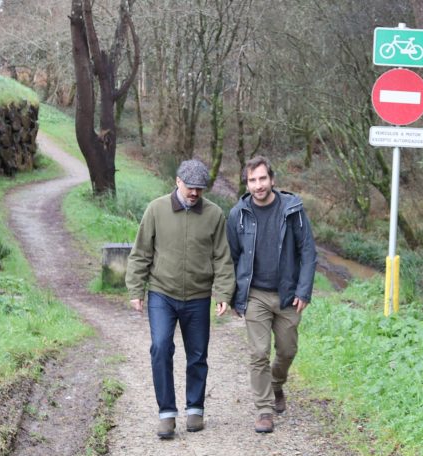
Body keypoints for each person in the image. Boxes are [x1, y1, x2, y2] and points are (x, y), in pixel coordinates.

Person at [126, 159, 234, 440]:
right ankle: (167, 414)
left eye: (200, 188)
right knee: (161, 348)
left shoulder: (214, 215)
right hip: (162, 292)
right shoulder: (156, 210)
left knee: (198, 354)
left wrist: (223, 293)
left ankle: (195, 407)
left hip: (198, 295)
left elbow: (222, 258)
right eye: (190, 187)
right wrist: (136, 289)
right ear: (177, 182)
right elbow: (140, 253)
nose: (195, 193)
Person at [227, 155, 317, 433]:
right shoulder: (237, 215)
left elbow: (308, 252)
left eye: (262, 178)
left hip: (288, 295)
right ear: (247, 183)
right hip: (255, 294)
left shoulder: (292, 209)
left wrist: (303, 290)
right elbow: (231, 257)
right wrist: (232, 296)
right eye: (252, 180)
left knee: (288, 350)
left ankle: (277, 384)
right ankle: (264, 410)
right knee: (258, 352)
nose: (258, 185)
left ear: (272, 179)